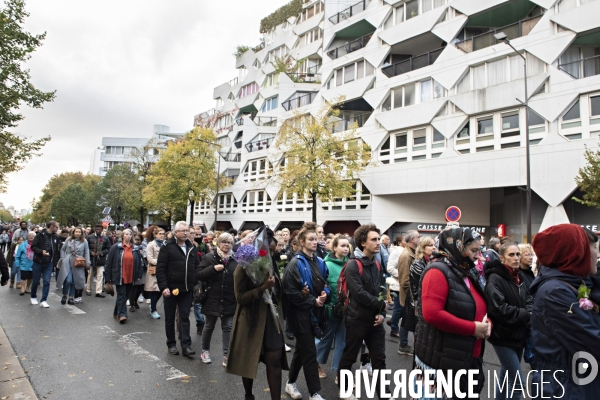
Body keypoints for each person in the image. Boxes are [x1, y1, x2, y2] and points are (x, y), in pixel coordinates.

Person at [412, 228, 490, 399]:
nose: (478, 255)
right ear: (458, 247)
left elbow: (479, 305)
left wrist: (487, 322)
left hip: (467, 357)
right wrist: (472, 328)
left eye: (479, 250)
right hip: (442, 362)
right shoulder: (437, 271)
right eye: (473, 251)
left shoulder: (467, 270)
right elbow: (432, 314)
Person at [530, 224, 600, 398]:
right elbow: (592, 340)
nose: (597, 255)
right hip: (564, 387)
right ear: (576, 252)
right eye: (593, 248)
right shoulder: (555, 292)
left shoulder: (575, 284)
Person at [227, 228, 289, 400]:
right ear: (257, 248)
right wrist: (262, 288)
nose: (269, 254)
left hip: (271, 319)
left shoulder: (273, 265)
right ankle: (249, 395)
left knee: (274, 360)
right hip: (250, 320)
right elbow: (240, 298)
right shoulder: (242, 268)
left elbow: (278, 292)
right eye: (266, 250)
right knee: (248, 361)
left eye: (273, 251)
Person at [337, 224, 388, 400]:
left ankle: (384, 394)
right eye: (374, 240)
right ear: (363, 242)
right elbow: (358, 294)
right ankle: (344, 391)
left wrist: (382, 313)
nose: (378, 243)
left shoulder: (376, 263)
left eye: (378, 239)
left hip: (375, 320)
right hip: (357, 319)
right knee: (350, 356)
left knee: (379, 359)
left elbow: (381, 288)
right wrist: (380, 304)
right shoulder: (353, 264)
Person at [282, 222, 328, 400]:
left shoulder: (319, 261)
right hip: (300, 314)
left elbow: (325, 282)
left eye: (316, 239)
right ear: (301, 241)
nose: (315, 242)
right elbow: (290, 291)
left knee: (302, 351)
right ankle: (314, 393)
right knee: (309, 353)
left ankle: (290, 383)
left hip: (315, 313)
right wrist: (312, 300)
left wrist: (325, 294)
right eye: (311, 239)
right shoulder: (295, 263)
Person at [484, 242, 532, 400]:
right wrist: (526, 314)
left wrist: (529, 310)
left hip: (518, 335)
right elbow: (499, 309)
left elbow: (529, 297)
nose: (516, 258)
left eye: (518, 254)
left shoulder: (520, 275)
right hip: (502, 336)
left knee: (506, 378)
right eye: (511, 255)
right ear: (502, 258)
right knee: (517, 382)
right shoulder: (494, 278)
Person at [156, 221, 200, 357]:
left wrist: (196, 284)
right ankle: (171, 344)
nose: (186, 233)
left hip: (186, 289)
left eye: (187, 231)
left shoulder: (192, 248)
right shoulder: (167, 247)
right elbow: (160, 268)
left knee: (185, 317)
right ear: (176, 233)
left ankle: (186, 345)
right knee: (169, 317)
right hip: (171, 288)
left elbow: (196, 268)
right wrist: (163, 287)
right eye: (183, 231)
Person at [197, 233, 238, 366]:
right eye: (224, 242)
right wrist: (213, 269)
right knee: (209, 326)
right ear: (218, 243)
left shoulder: (236, 259)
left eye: (229, 243)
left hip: (229, 298)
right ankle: (205, 351)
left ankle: (226, 355)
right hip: (212, 298)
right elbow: (199, 274)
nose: (226, 245)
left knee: (227, 327)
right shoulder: (209, 257)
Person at [316, 234, 349, 380]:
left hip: (346, 311)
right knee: (325, 340)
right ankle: (316, 363)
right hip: (330, 310)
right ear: (334, 248)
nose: (345, 248)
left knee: (342, 341)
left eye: (347, 246)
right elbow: (321, 286)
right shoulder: (326, 264)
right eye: (342, 245)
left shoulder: (352, 264)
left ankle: (339, 371)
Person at [104, 229, 144, 323]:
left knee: (125, 295)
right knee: (121, 294)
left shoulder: (135, 248)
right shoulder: (116, 247)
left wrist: (139, 274)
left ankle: (116, 312)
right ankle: (122, 315)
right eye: (126, 234)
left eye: (130, 234)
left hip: (131, 275)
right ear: (122, 236)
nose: (128, 236)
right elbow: (109, 262)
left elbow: (140, 263)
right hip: (120, 275)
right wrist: (107, 277)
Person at [396, 230, 419, 353]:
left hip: (411, 294)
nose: (420, 239)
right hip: (409, 295)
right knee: (406, 320)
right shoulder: (406, 255)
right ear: (412, 240)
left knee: (407, 319)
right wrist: (414, 294)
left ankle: (404, 344)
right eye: (418, 237)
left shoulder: (413, 253)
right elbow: (404, 280)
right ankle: (403, 345)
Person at [407, 236, 436, 331]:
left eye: (434, 245)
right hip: (419, 304)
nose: (434, 247)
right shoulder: (417, 264)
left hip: (424, 303)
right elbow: (426, 285)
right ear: (423, 247)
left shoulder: (429, 261)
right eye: (430, 245)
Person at [57, 227, 91, 306]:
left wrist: (87, 263)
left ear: (81, 233)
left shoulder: (84, 241)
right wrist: (62, 258)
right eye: (76, 231)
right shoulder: (68, 239)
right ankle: (65, 295)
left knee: (74, 281)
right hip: (68, 261)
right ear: (73, 232)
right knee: (68, 280)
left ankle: (71, 297)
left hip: (79, 262)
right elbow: (62, 249)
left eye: (79, 232)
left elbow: (86, 252)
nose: (78, 233)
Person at [30, 221, 60, 308]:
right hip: (38, 262)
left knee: (47, 282)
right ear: (51, 226)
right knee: (36, 281)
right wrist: (41, 252)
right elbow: (33, 247)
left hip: (49, 263)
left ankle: (43, 300)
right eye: (56, 227)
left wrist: (55, 262)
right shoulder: (39, 235)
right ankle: (33, 296)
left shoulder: (55, 237)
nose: (58, 229)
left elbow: (57, 250)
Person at [86, 225, 111, 297]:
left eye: (99, 229)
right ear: (95, 229)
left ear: (102, 230)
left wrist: (102, 253)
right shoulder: (90, 237)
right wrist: (91, 252)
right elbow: (86, 247)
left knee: (100, 276)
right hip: (91, 259)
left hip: (101, 259)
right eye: (96, 229)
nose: (98, 230)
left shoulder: (105, 238)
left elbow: (108, 248)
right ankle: (88, 289)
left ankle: (98, 291)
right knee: (90, 275)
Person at [145, 227, 164, 319]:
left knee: (161, 290)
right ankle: (153, 309)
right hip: (154, 270)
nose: (162, 235)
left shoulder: (165, 244)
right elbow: (149, 258)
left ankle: (152, 305)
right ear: (155, 235)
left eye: (163, 234)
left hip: (163, 270)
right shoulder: (151, 245)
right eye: (160, 233)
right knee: (155, 290)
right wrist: (161, 262)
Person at [128, 233, 147, 312]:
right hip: (133, 269)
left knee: (140, 287)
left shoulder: (144, 248)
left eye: (138, 240)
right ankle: (132, 303)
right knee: (133, 287)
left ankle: (135, 300)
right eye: (135, 239)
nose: (137, 241)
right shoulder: (131, 248)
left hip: (142, 269)